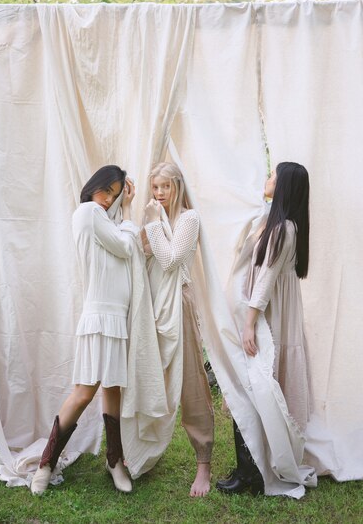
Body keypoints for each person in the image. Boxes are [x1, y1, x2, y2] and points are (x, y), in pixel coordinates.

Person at [30, 165, 138, 495]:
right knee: (84, 391)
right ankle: (45, 463)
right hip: (98, 314)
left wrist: (122, 210)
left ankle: (114, 460)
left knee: (113, 388)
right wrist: (130, 212)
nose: (109, 198)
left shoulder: (108, 221)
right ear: (94, 187)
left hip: (116, 315)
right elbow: (127, 247)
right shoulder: (89, 212)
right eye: (108, 190)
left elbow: (119, 238)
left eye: (116, 194)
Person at [216, 161, 311, 495]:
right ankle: (250, 467)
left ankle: (252, 472)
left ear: (283, 184)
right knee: (251, 388)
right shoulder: (275, 222)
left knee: (255, 387)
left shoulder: (284, 228)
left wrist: (249, 324)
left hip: (268, 316)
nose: (267, 178)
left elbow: (267, 279)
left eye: (273, 175)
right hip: (265, 311)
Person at [141, 162, 214, 497]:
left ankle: (203, 464)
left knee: (190, 382)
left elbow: (170, 260)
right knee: (149, 379)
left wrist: (154, 224)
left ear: (177, 186)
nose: (159, 194)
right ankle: (142, 451)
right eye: (155, 188)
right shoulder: (155, 218)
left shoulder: (188, 219)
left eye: (165, 187)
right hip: (152, 305)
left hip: (178, 304)